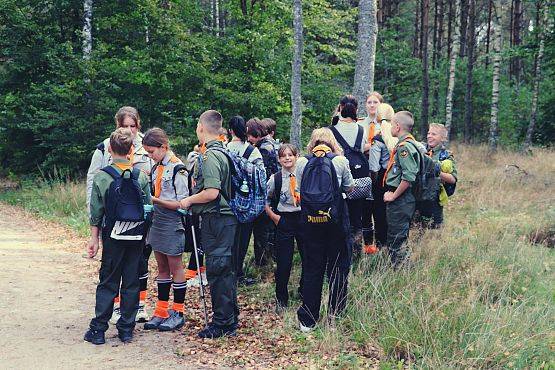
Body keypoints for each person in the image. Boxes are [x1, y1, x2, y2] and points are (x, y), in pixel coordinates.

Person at [84, 127, 151, 345]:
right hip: (136, 235)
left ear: (110, 149)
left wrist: (94, 239)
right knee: (131, 280)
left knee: (108, 280)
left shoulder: (103, 177)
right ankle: (126, 329)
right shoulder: (141, 176)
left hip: (113, 235)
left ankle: (99, 329)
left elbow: (97, 212)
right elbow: (148, 207)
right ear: (132, 149)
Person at [180, 110, 239, 339]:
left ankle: (223, 323)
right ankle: (229, 317)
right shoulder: (222, 151)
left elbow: (212, 192)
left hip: (217, 219)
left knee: (217, 268)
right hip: (224, 219)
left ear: (202, 127)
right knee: (224, 268)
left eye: (197, 126)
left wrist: (188, 200)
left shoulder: (210, 156)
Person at [296, 128, 354, 332]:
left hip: (311, 224)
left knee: (312, 269)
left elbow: (298, 191)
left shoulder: (302, 162)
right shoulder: (340, 161)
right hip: (336, 222)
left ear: (312, 142)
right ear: (332, 142)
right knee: (338, 267)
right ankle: (335, 314)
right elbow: (349, 187)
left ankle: (308, 319)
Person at [141, 128, 189, 332]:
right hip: (157, 220)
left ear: (163, 147)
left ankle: (178, 311)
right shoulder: (156, 168)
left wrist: (157, 201)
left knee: (175, 266)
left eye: (152, 152)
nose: (150, 157)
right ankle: (161, 310)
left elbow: (183, 203)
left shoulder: (179, 169)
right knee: (161, 267)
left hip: (173, 221)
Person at [264, 144, 304, 312]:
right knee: (284, 262)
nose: (287, 158)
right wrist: (275, 218)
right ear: (279, 159)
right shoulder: (276, 179)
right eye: (283, 156)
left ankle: (304, 291)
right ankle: (281, 298)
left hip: (302, 219)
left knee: (308, 258)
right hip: (284, 219)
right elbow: (264, 199)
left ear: (296, 156)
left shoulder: (303, 176)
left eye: (290, 155)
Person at [328, 95, 368, 258]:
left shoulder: (331, 130)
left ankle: (341, 250)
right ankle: (357, 250)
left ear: (340, 107)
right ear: (356, 110)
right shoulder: (361, 129)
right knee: (357, 214)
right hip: (360, 175)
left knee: (339, 214)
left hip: (339, 177)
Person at [226, 116, 263, 286]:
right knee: (243, 238)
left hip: (227, 201)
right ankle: (239, 272)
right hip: (247, 202)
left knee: (228, 240)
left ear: (230, 130)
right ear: (246, 131)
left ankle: (228, 273)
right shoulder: (252, 151)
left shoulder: (224, 150)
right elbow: (260, 177)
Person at [383, 111, 420, 267]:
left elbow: (409, 176)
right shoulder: (408, 144)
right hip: (403, 198)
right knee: (398, 235)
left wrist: (393, 196)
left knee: (397, 237)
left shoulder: (404, 148)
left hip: (401, 199)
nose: (391, 127)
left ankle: (401, 271)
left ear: (397, 126)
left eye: (392, 124)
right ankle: (400, 268)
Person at [246, 118, 279, 267]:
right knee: (266, 228)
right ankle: (265, 259)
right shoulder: (270, 143)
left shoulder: (264, 148)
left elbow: (262, 174)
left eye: (250, 135)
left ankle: (263, 262)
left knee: (263, 229)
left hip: (266, 193)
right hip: (272, 192)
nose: (248, 139)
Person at [417, 123, 458, 228]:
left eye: (434, 134)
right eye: (428, 133)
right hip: (416, 196)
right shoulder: (420, 148)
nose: (429, 136)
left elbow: (453, 179)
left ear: (443, 138)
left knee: (434, 230)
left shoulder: (446, 155)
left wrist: (437, 171)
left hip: (434, 199)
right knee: (415, 228)